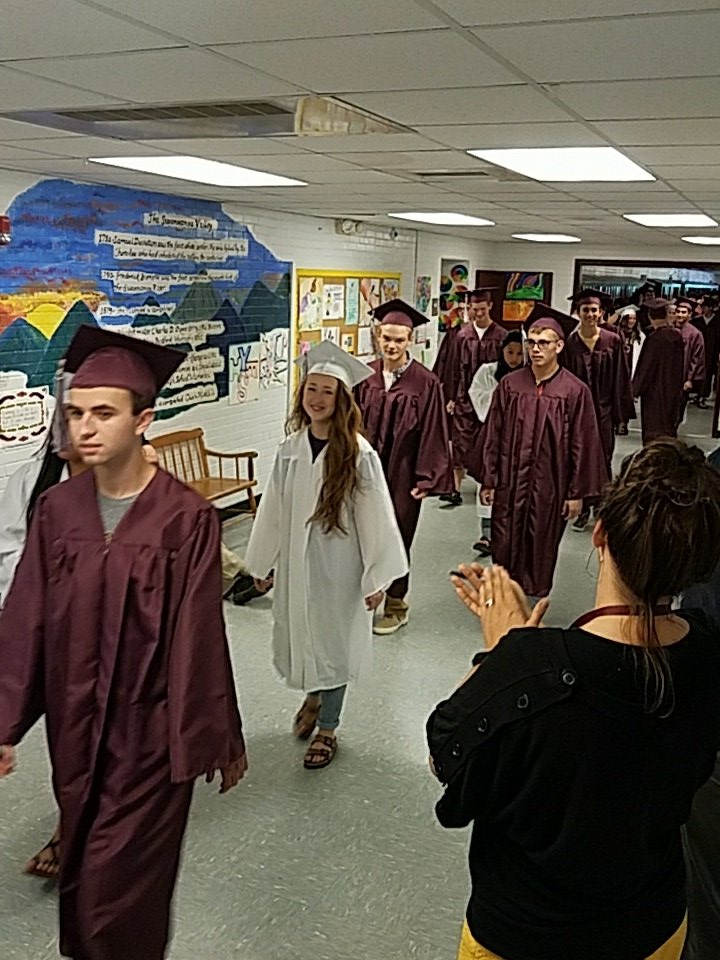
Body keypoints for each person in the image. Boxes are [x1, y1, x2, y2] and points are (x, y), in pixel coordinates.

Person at [0, 325, 247, 960]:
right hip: (74, 728)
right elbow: (26, 618)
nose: (84, 428)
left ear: (143, 420)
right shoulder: (57, 510)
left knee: (115, 898)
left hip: (149, 740)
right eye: (76, 412)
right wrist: (4, 723)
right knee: (82, 878)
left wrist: (210, 735)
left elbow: (199, 636)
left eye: (103, 413)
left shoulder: (185, 518)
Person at [428, 439, 720, 960]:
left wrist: (501, 653)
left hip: (524, 938)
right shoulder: (706, 653)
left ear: (600, 534)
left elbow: (445, 755)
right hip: (653, 929)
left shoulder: (533, 671)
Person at [245, 341, 407, 769]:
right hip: (297, 565)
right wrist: (264, 562)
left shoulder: (358, 454)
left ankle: (329, 728)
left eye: (327, 391)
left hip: (341, 568)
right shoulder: (290, 449)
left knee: (334, 642)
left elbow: (376, 517)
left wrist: (376, 577)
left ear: (341, 400)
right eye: (311, 389)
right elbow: (273, 508)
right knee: (303, 632)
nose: (317, 398)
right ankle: (314, 696)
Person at [479, 306, 607, 598]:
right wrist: (489, 479)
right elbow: (493, 435)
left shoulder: (575, 391)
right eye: (532, 343)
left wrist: (576, 493)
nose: (535, 349)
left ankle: (534, 599)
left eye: (544, 343)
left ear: (559, 346)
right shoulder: (510, 385)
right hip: (509, 482)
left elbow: (583, 444)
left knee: (541, 543)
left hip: (550, 485)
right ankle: (504, 596)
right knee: (504, 538)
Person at [355, 299, 452, 634]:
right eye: (386, 338)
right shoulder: (364, 377)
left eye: (399, 339)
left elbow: (434, 431)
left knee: (397, 536)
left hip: (403, 472)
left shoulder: (425, 382)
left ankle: (396, 604)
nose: (392, 345)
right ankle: (361, 599)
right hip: (365, 472)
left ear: (410, 340)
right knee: (361, 533)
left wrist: (427, 477)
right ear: (377, 337)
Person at [563, 291, 635, 531]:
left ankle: (602, 507)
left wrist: (620, 413)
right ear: (578, 312)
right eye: (585, 310)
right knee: (579, 458)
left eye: (594, 310)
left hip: (604, 411)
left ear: (601, 312)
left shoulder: (612, 340)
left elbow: (621, 377)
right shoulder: (570, 343)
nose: (590, 314)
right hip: (578, 412)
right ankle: (583, 507)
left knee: (604, 458)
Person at [442, 288, 505, 507]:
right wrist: (451, 397)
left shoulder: (501, 336)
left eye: (481, 309)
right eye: (473, 309)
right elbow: (452, 368)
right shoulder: (462, 335)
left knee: (489, 441)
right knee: (460, 441)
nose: (477, 313)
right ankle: (455, 488)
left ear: (490, 306)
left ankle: (487, 483)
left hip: (490, 398)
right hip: (464, 397)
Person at [466, 330, 525, 556]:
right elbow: (477, 395)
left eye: (519, 353)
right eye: (510, 352)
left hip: (519, 438)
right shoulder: (488, 371)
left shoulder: (529, 376)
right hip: (492, 434)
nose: (514, 358)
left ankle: (512, 534)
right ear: (502, 351)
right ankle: (487, 535)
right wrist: (499, 396)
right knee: (489, 483)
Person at [633, 298, 685, 444]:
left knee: (655, 429)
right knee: (669, 427)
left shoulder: (654, 339)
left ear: (650, 316)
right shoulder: (677, 336)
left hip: (655, 393)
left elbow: (646, 369)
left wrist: (634, 390)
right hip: (673, 390)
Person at [673, 296, 705, 427]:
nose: (680, 315)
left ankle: (673, 429)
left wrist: (690, 379)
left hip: (683, 376)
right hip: (667, 376)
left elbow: (696, 358)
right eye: (678, 311)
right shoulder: (669, 329)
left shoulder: (695, 334)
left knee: (679, 407)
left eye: (683, 312)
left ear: (689, 314)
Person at [691, 294, 720, 408]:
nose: (704, 309)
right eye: (703, 307)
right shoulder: (697, 321)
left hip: (712, 353)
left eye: (706, 307)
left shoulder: (717, 322)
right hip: (698, 351)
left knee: (707, 374)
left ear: (712, 308)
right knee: (696, 372)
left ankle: (702, 396)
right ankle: (696, 395)